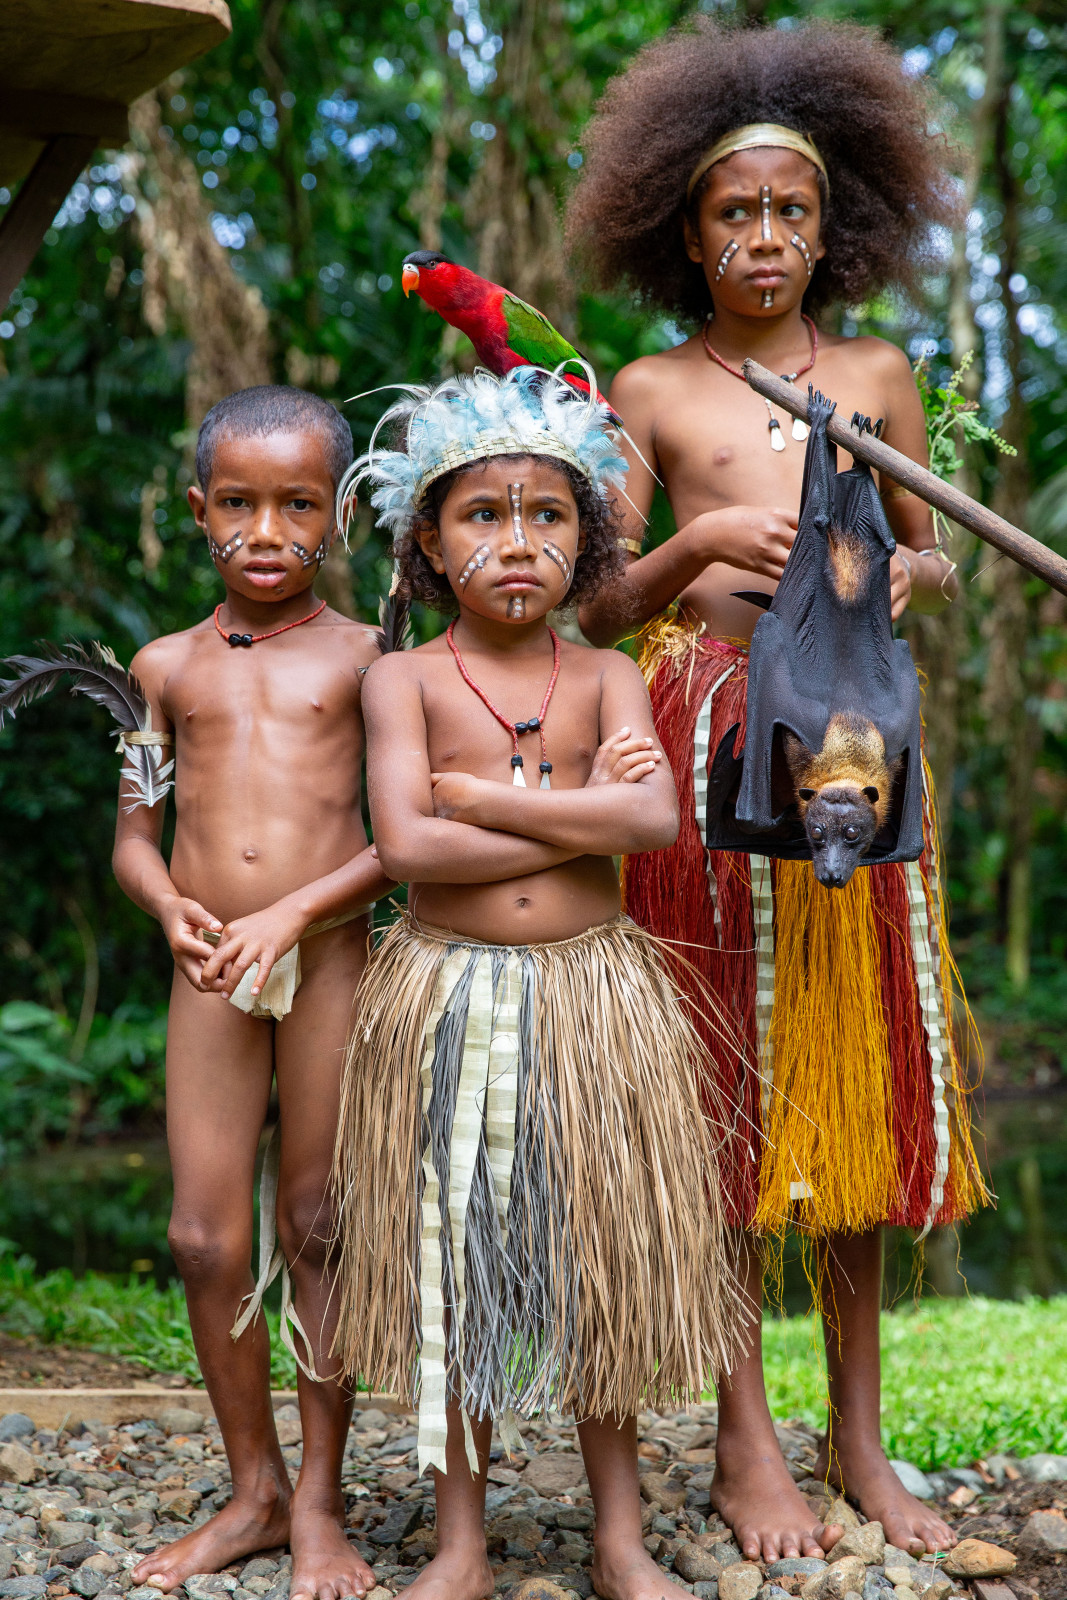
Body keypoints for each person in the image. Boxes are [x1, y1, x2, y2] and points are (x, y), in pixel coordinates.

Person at [565, 18, 988, 1564]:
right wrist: (692, 546)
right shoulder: (648, 390)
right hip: (705, 740)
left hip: (850, 742)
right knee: (726, 1080)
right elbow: (595, 603)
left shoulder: (872, 377)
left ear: (830, 226)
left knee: (853, 1069)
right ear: (683, 232)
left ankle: (854, 1437)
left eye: (787, 211)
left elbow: (931, 560)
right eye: (732, 211)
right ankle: (744, 1436)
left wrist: (883, 567)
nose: (761, 236)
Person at [332, 364, 743, 1600]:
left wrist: (485, 798)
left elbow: (654, 821)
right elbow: (409, 848)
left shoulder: (606, 674)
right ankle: (459, 1544)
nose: (518, 542)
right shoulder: (400, 679)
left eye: (548, 514)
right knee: (453, 1265)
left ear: (589, 535)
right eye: (483, 514)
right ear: (427, 541)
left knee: (593, 1261)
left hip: (591, 997)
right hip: (445, 994)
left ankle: (619, 1538)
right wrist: (575, 809)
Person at [110, 387, 393, 1599]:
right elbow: (134, 835)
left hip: (329, 960)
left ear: (337, 517)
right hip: (213, 966)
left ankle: (320, 1502)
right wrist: (167, 905)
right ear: (197, 510)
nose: (266, 530)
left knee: (319, 1220)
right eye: (237, 503)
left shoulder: (373, 659)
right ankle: (255, 1488)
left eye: (297, 504)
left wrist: (294, 913)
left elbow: (401, 840)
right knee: (202, 1235)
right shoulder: (162, 667)